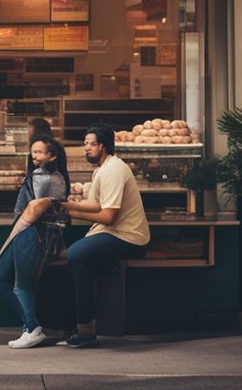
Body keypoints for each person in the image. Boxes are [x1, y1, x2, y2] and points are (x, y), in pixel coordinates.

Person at [59, 124, 150, 348]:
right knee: (76, 255)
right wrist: (69, 205)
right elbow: (98, 203)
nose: (86, 148)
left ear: (103, 145)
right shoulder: (102, 168)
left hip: (129, 236)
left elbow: (108, 216)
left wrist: (74, 211)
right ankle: (79, 323)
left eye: (91, 144)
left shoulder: (114, 170)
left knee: (76, 254)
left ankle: (85, 330)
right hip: (112, 232)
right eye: (84, 144)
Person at [0, 136, 70, 349]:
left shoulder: (49, 178)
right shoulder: (40, 175)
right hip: (28, 231)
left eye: (40, 152)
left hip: (34, 232)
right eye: (33, 151)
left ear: (52, 155)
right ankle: (31, 326)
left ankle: (32, 329)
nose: (35, 155)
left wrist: (11, 236)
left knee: (21, 284)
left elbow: (34, 211)